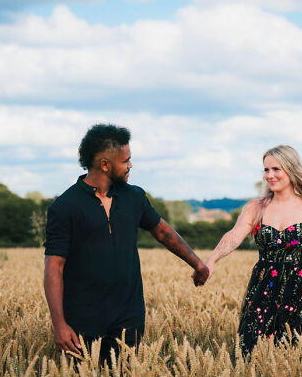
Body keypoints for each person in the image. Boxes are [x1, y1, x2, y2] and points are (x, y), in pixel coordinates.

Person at [43, 123, 210, 364]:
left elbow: (163, 231)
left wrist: (198, 264)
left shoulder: (134, 197)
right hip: (82, 320)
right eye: (126, 161)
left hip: (128, 319)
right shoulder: (65, 207)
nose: (130, 165)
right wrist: (59, 325)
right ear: (105, 164)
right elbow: (54, 267)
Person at [205, 145, 302, 355]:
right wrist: (211, 260)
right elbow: (234, 235)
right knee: (253, 349)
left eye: (276, 169)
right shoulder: (256, 207)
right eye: (266, 170)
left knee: (300, 353)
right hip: (263, 285)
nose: (269, 175)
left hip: (299, 286)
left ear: (291, 170)